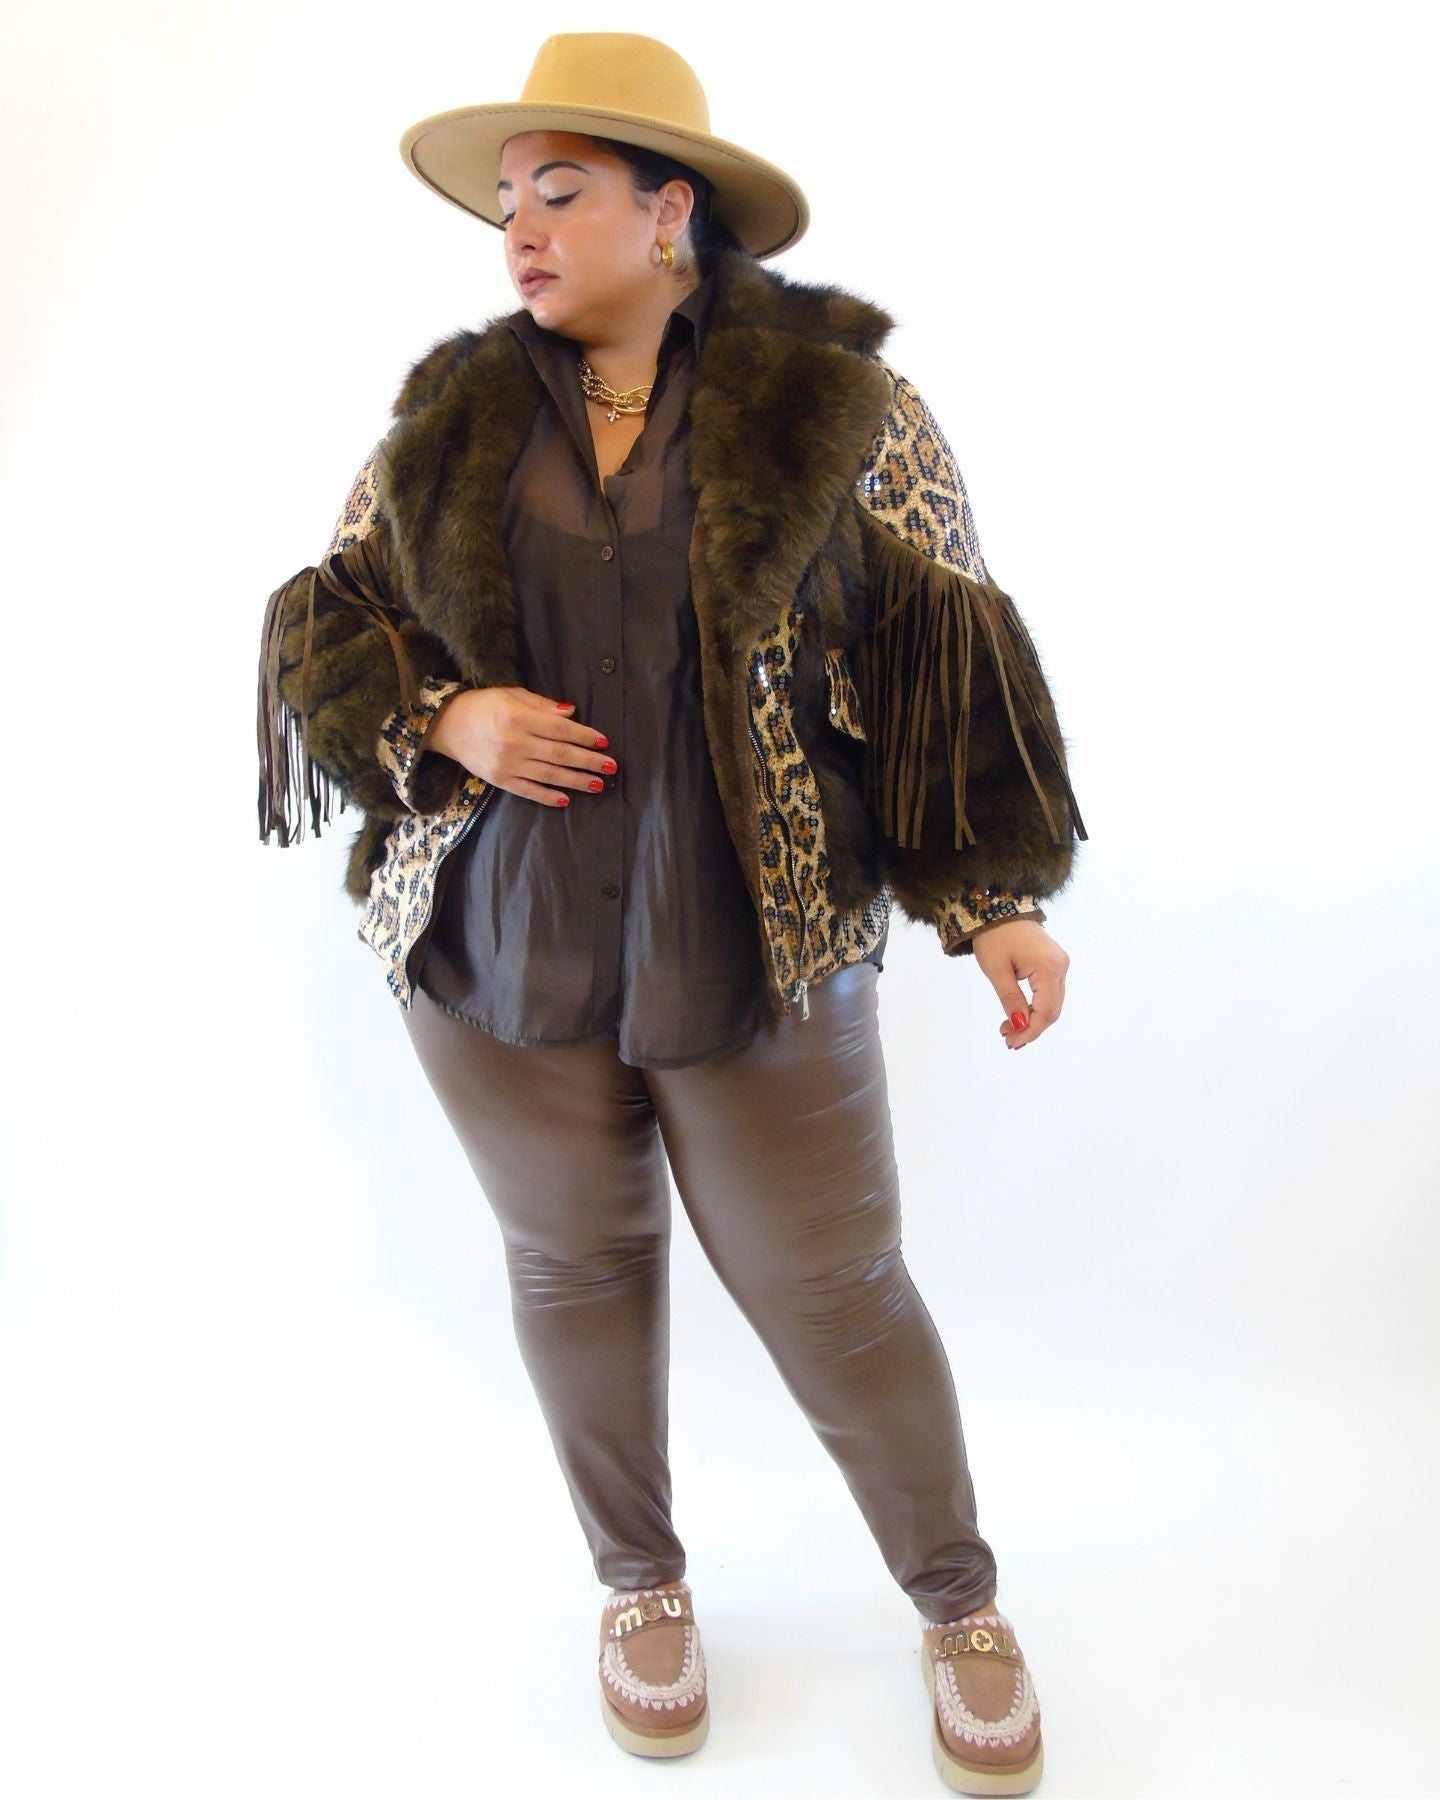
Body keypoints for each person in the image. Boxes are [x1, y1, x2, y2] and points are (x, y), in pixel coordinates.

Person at [256, 32, 1087, 1797]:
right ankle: (638, 1583)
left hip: (756, 941)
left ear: (669, 208)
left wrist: (995, 899)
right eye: (506, 199)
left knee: (837, 1291)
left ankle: (957, 1601)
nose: (520, 230)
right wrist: (446, 718)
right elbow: (331, 616)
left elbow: (943, 645)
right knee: (573, 1267)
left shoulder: (839, 408)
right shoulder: (453, 418)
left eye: (560, 191)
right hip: (500, 940)